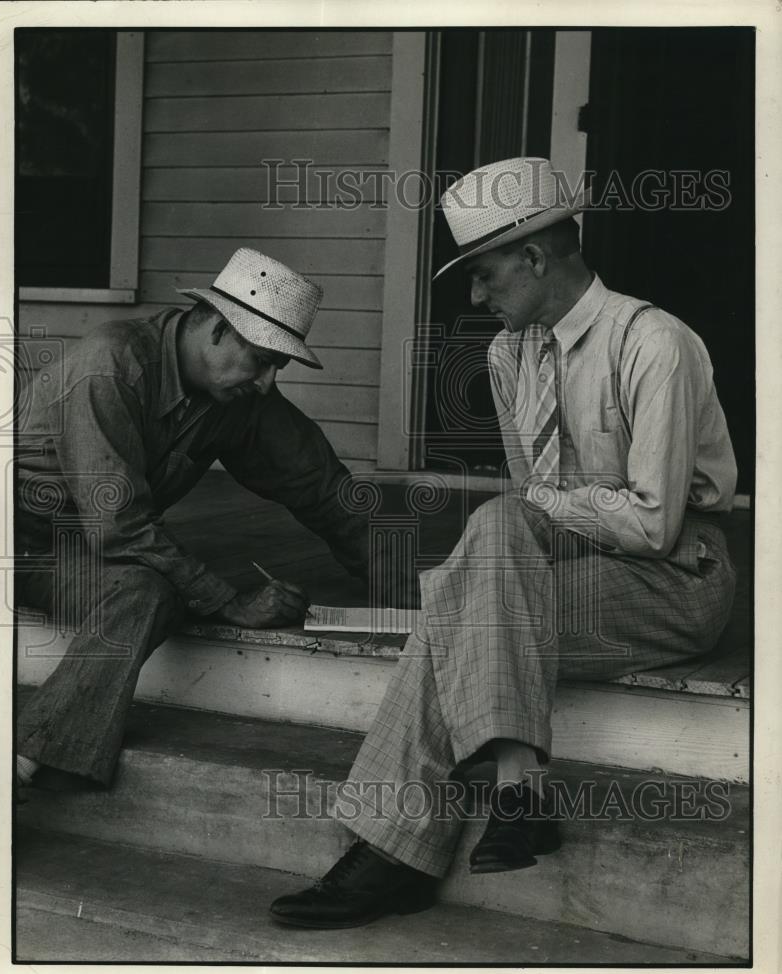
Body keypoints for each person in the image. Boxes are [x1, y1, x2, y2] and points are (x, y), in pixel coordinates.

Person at [269, 157, 738, 928]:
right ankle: (519, 793)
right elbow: (534, 517)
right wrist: (535, 517)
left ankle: (395, 852)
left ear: (534, 256)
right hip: (571, 571)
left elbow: (653, 525)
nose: (477, 298)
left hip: (676, 579)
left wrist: (539, 513)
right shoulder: (507, 356)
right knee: (490, 551)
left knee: (468, 586)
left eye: (485, 276)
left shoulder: (653, 343)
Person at [15, 248, 377, 791]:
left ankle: (26, 761)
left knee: (149, 590)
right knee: (146, 588)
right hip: (15, 545)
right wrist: (230, 603)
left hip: (88, 548)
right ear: (215, 329)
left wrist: (411, 584)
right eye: (262, 359)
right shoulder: (109, 366)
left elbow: (322, 486)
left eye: (277, 367)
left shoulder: (237, 395)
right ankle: (14, 773)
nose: (266, 383)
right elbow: (120, 527)